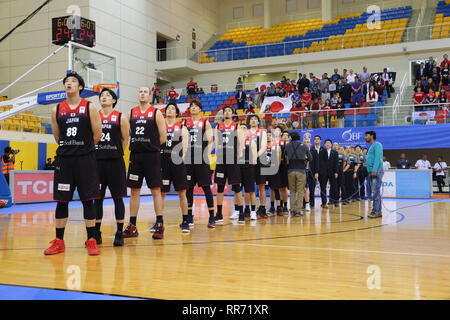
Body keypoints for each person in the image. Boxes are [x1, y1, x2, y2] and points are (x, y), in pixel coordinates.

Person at [44, 72, 102, 256]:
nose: (69, 84)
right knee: (62, 201)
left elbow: (97, 135)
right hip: (64, 161)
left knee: (88, 200)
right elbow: (57, 136)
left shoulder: (89, 107)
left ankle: (91, 240)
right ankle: (59, 241)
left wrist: (83, 149)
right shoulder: (57, 109)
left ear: (80, 87)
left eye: (73, 81)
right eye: (66, 82)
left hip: (85, 160)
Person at [125, 87, 167, 239]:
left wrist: (150, 146)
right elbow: (128, 134)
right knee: (134, 191)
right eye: (140, 91)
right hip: (135, 157)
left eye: (145, 92)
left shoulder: (156, 113)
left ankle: (160, 224)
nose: (142, 93)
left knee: (156, 190)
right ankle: (132, 226)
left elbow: (163, 137)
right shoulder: (132, 112)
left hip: (151, 156)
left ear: (150, 96)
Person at [94, 88, 130, 247]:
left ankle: (119, 232)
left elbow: (125, 139)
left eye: (107, 95)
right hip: (97, 162)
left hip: (115, 162)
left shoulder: (121, 118)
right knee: (97, 199)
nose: (104, 98)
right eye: (102, 96)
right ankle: (96, 232)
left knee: (118, 198)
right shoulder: (94, 116)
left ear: (114, 100)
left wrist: (116, 152)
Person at [184, 100, 215, 228]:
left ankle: (212, 217)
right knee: (189, 189)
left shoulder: (205, 122)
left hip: (201, 160)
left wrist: (204, 155)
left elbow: (210, 141)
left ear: (200, 109)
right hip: (188, 160)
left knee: (206, 188)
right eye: (191, 106)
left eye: (196, 106)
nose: (193, 108)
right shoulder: (185, 123)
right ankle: (189, 216)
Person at [160, 103, 190, 233]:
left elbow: (185, 148)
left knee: (182, 193)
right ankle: (159, 222)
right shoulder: (160, 126)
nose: (170, 110)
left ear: (177, 113)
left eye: (172, 108)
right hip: (162, 163)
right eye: (168, 108)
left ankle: (185, 221)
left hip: (177, 163)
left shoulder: (182, 128)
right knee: (161, 194)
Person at [214, 106, 245, 224]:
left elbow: (241, 144)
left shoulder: (236, 126)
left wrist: (238, 157)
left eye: (229, 111)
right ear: (222, 114)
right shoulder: (218, 126)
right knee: (220, 187)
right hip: (222, 160)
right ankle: (219, 214)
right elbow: (217, 144)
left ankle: (241, 213)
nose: (227, 112)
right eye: (225, 111)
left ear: (232, 114)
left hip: (233, 160)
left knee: (237, 187)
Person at [285, 131, 311, 217]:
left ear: (291, 138)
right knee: (300, 191)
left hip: (291, 170)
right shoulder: (304, 145)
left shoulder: (288, 145)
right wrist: (305, 160)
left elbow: (284, 156)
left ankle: (292, 210)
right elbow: (310, 158)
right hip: (301, 170)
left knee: (292, 191)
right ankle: (298, 211)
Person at [247, 114, 268, 218]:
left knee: (261, 186)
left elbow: (264, 146)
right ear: (249, 122)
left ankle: (263, 208)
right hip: (248, 161)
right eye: (252, 119)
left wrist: (255, 157)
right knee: (248, 187)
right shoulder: (246, 132)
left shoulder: (262, 132)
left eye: (255, 119)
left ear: (258, 122)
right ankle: (247, 208)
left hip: (260, 161)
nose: (254, 121)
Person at [239, 123, 258, 220]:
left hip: (248, 168)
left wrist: (251, 161)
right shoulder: (235, 142)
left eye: (244, 128)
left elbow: (254, 157)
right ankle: (238, 211)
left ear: (247, 131)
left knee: (250, 191)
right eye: (240, 128)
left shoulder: (251, 142)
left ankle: (253, 211)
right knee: (237, 191)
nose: (242, 129)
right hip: (238, 168)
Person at [262, 132, 282, 216]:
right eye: (267, 136)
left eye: (270, 135)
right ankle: (271, 207)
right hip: (265, 170)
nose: (268, 137)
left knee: (276, 189)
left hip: (274, 170)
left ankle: (278, 207)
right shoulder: (262, 147)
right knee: (267, 189)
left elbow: (279, 159)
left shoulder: (277, 147)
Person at [365, 131, 383, 219]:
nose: (365, 137)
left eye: (366, 136)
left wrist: (374, 170)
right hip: (371, 171)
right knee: (376, 192)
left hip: (376, 171)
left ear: (371, 136)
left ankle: (375, 211)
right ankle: (378, 211)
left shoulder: (377, 145)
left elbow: (377, 158)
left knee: (375, 192)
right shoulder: (371, 146)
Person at [272, 126, 289, 215]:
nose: (276, 131)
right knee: (273, 188)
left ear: (281, 133)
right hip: (273, 165)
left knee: (283, 187)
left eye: (278, 130)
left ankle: (285, 206)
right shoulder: (271, 142)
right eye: (275, 130)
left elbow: (287, 156)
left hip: (282, 166)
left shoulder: (284, 142)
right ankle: (274, 206)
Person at [319, 139, 339, 208]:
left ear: (331, 144)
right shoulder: (321, 152)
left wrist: (336, 172)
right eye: (326, 143)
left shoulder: (335, 152)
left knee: (334, 187)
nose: (327, 144)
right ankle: (324, 202)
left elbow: (336, 163)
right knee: (323, 187)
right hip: (323, 173)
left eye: (329, 143)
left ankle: (335, 201)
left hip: (332, 172)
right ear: (324, 144)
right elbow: (320, 163)